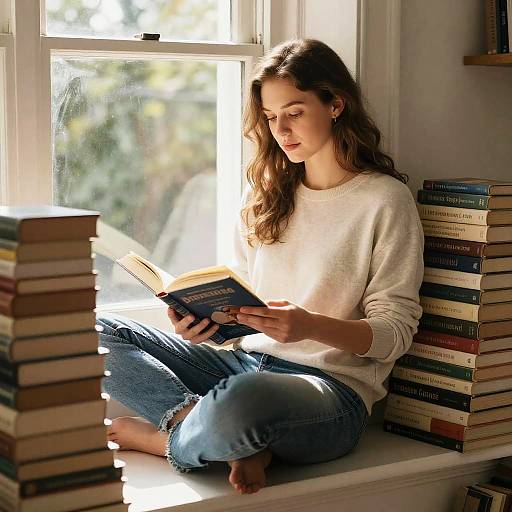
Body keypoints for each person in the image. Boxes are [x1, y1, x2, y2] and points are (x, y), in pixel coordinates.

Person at [98, 38, 424, 496]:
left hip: (328, 391)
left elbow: (395, 335)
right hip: (243, 361)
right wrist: (207, 325)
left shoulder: (384, 200)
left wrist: (309, 326)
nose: (282, 130)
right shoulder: (267, 196)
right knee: (90, 329)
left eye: (294, 112)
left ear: (335, 104)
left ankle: (168, 438)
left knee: (244, 401)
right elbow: (245, 311)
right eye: (271, 118)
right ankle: (210, 431)